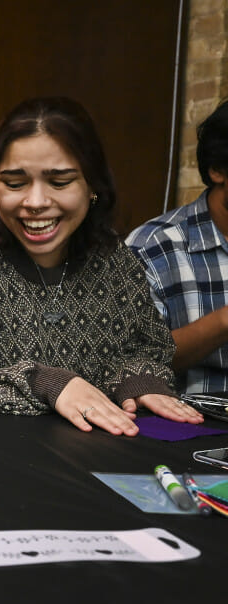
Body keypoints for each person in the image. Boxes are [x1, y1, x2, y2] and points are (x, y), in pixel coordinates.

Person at [0, 97, 202, 435]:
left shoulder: (114, 259)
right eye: (15, 183)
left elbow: (149, 350)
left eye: (60, 182)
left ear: (92, 186)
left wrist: (138, 380)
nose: (35, 202)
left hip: (97, 459)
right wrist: (43, 383)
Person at [126, 98, 228, 393]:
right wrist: (222, 323)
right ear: (218, 170)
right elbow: (129, 362)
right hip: (194, 429)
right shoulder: (152, 247)